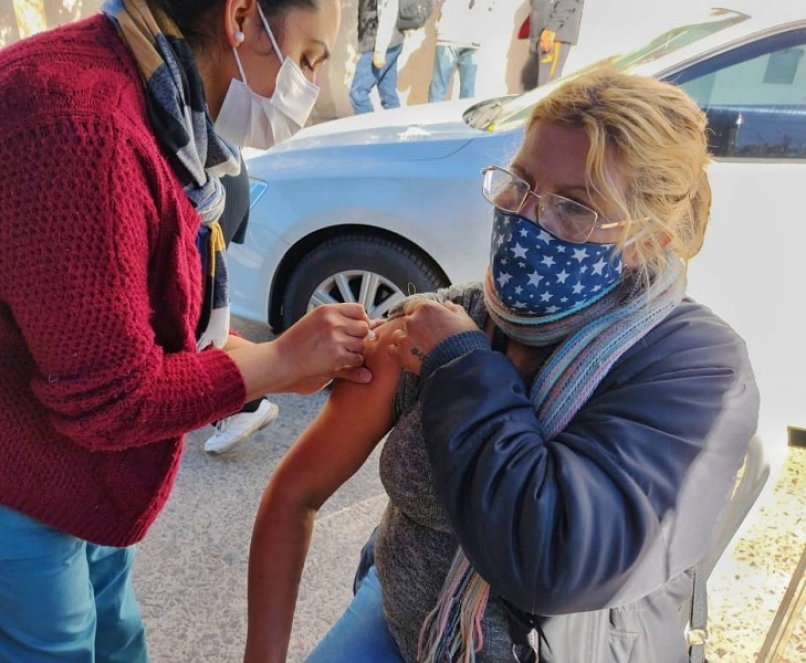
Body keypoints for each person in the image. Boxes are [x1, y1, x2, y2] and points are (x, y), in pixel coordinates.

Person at [0, 0, 368, 661]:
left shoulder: (154, 95)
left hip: (59, 442)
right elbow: (112, 397)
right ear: (239, 18)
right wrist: (277, 362)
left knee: (113, 629)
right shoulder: (77, 131)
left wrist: (263, 361)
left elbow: (130, 327)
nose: (311, 85)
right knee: (53, 646)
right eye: (310, 57)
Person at [245, 69, 759, 662]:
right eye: (519, 183)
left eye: (573, 208)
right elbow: (297, 495)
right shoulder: (446, 320)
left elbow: (555, 557)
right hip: (398, 619)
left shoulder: (695, 371)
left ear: (649, 238)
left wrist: (461, 368)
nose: (527, 219)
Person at [205, 156, 280, 456]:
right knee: (204, 311)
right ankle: (247, 398)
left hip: (203, 188)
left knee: (188, 321)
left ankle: (247, 403)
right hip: (225, 180)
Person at [427, 0, 506, 103]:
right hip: (473, 37)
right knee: (468, 91)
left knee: (439, 88)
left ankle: (434, 118)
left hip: (449, 35)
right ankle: (464, 118)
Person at [349, 0, 406, 114]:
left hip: (380, 44)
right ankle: (396, 128)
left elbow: (388, 12)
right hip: (392, 42)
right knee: (389, 96)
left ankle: (369, 128)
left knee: (358, 93)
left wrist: (380, 50)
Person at [522, 0, 584, 91]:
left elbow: (568, 2)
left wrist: (551, 29)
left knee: (546, 88)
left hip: (552, 36)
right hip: (540, 37)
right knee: (529, 87)